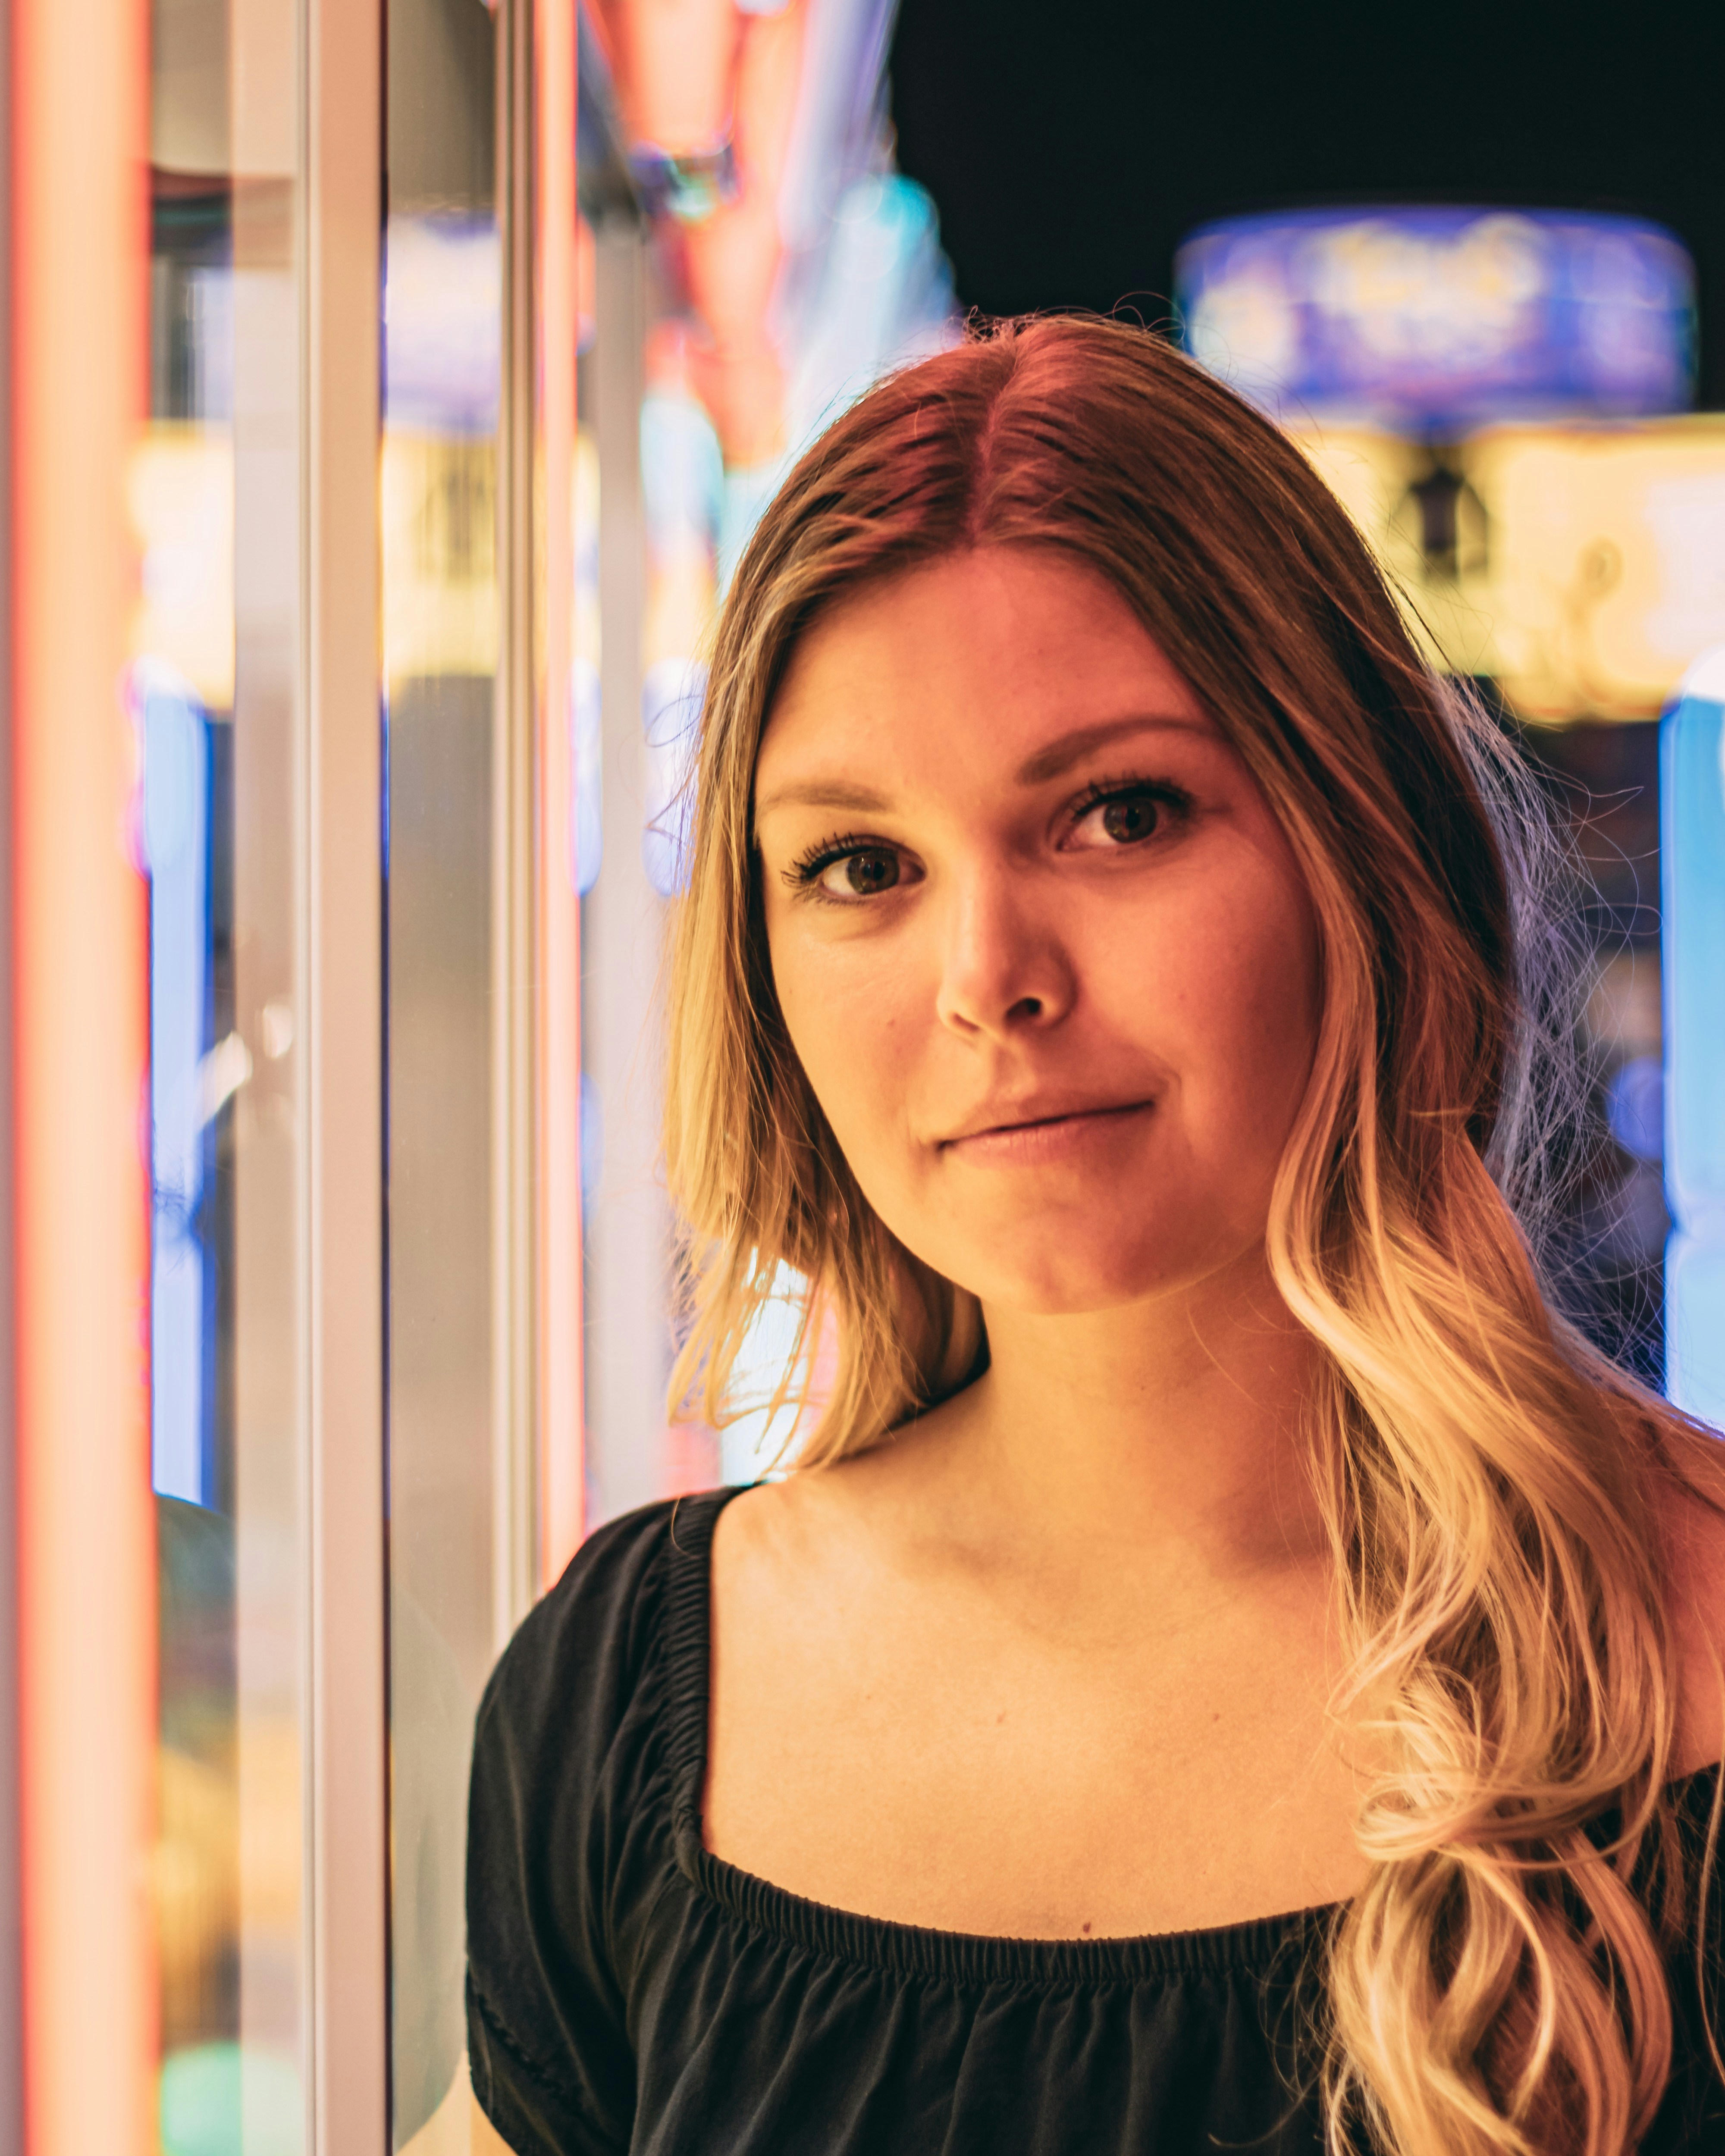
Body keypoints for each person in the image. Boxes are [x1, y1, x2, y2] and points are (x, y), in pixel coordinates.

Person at [464, 316, 1725, 2156]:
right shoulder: (634, 1696)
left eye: (1116, 814)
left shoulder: (1691, 1658)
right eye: (860, 865)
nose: (987, 979)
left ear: (1357, 857)